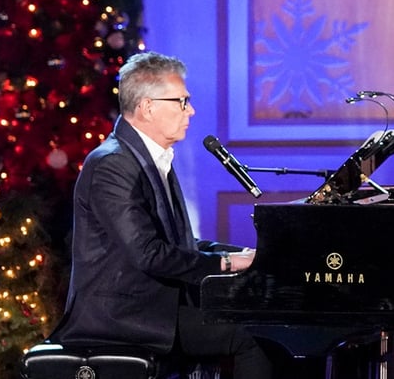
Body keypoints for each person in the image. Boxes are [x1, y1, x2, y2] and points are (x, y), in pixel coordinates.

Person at [49, 51, 272, 378]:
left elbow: (177, 243)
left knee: (260, 321)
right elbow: (149, 255)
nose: (191, 111)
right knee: (252, 337)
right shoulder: (112, 165)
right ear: (148, 106)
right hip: (121, 314)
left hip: (152, 304)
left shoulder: (148, 157)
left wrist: (237, 254)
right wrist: (226, 264)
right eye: (182, 101)